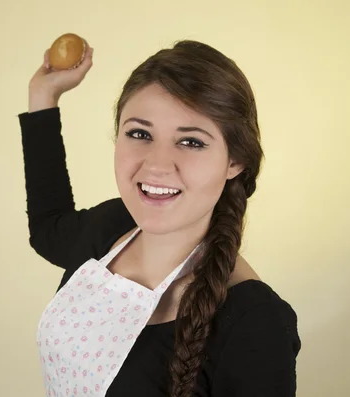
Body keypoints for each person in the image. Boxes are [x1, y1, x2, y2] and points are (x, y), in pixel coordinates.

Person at [18, 39, 301, 397]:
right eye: (140, 134)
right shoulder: (111, 226)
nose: (155, 165)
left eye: (191, 142)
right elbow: (47, 227)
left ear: (235, 162)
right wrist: (43, 97)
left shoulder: (254, 322)